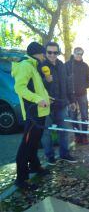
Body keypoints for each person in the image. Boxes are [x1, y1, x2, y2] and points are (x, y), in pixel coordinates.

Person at [11, 42, 50, 190]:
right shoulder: (25, 66)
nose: (44, 56)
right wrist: (38, 100)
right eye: (42, 53)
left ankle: (35, 166)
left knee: (34, 142)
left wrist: (46, 98)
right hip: (33, 114)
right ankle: (21, 179)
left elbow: (36, 88)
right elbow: (19, 88)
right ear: (36, 53)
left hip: (40, 113)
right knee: (26, 146)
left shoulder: (33, 65)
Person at [40, 42, 77, 165]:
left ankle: (64, 154)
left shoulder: (61, 65)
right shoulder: (40, 66)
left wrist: (71, 100)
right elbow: (36, 87)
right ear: (45, 52)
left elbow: (67, 83)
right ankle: (50, 156)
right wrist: (46, 81)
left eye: (55, 52)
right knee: (47, 133)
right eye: (49, 52)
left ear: (58, 52)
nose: (52, 55)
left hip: (62, 104)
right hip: (47, 106)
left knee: (64, 131)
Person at [65, 47, 89, 144]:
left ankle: (84, 136)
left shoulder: (85, 66)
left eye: (81, 54)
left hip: (82, 95)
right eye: (77, 53)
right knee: (73, 116)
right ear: (73, 53)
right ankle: (77, 136)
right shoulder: (67, 65)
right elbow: (64, 80)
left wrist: (84, 86)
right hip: (71, 96)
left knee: (84, 116)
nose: (79, 55)